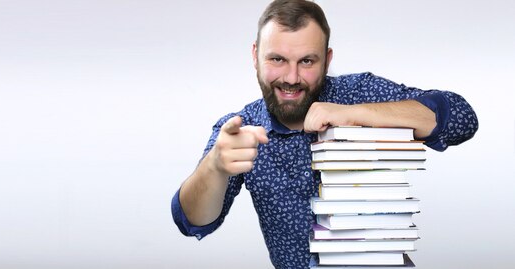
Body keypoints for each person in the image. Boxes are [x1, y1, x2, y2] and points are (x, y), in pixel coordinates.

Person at [171, 0, 478, 268]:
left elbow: (462, 119)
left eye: (307, 61)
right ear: (255, 56)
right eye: (277, 59)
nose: (291, 78)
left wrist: (353, 114)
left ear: (327, 60)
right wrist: (214, 166)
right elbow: (192, 221)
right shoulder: (240, 128)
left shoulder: (360, 92)